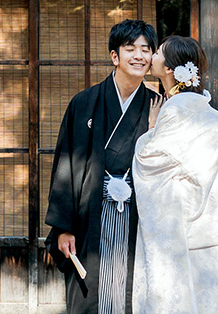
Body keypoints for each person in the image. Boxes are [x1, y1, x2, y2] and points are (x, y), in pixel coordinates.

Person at [45, 19, 164, 314]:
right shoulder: (84, 103)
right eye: (130, 49)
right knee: (90, 298)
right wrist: (63, 228)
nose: (139, 56)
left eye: (145, 50)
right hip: (90, 219)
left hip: (138, 218)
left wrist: (152, 137)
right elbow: (66, 166)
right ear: (115, 56)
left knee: (131, 295)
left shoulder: (158, 105)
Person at [131, 35, 218, 314]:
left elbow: (148, 162)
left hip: (184, 234)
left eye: (158, 52)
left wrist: (150, 133)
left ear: (169, 70)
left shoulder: (175, 113)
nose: (151, 55)